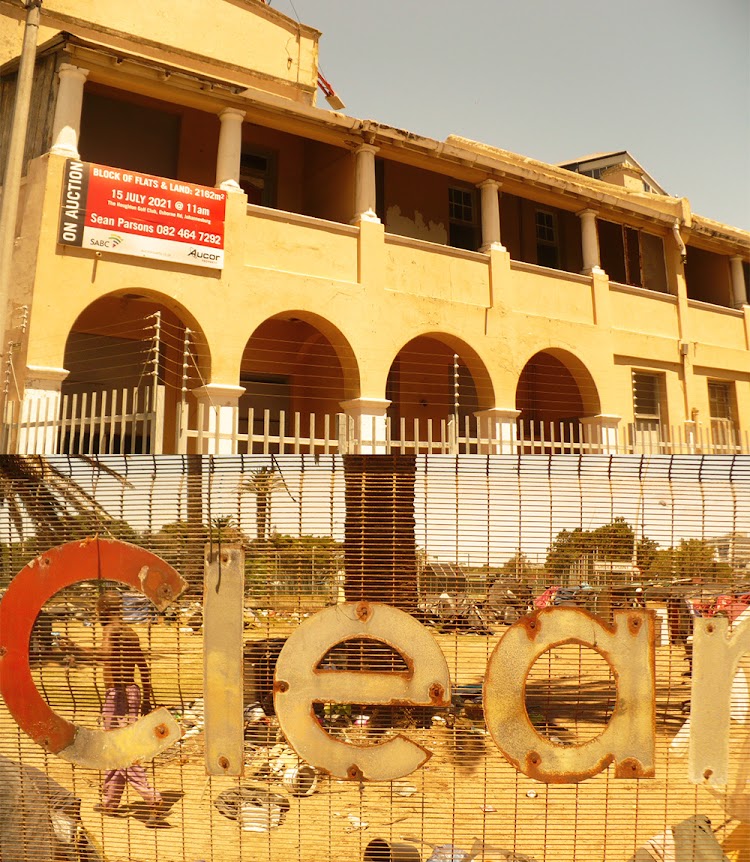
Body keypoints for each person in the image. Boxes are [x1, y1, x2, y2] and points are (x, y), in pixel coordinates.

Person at [61, 591, 164, 821]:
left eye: (97, 612)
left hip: (117, 695)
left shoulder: (110, 629)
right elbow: (144, 669)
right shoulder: (130, 632)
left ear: (103, 611)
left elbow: (105, 654)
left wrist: (77, 649)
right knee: (115, 746)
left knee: (120, 749)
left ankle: (150, 795)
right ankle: (111, 801)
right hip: (133, 691)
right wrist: (147, 698)